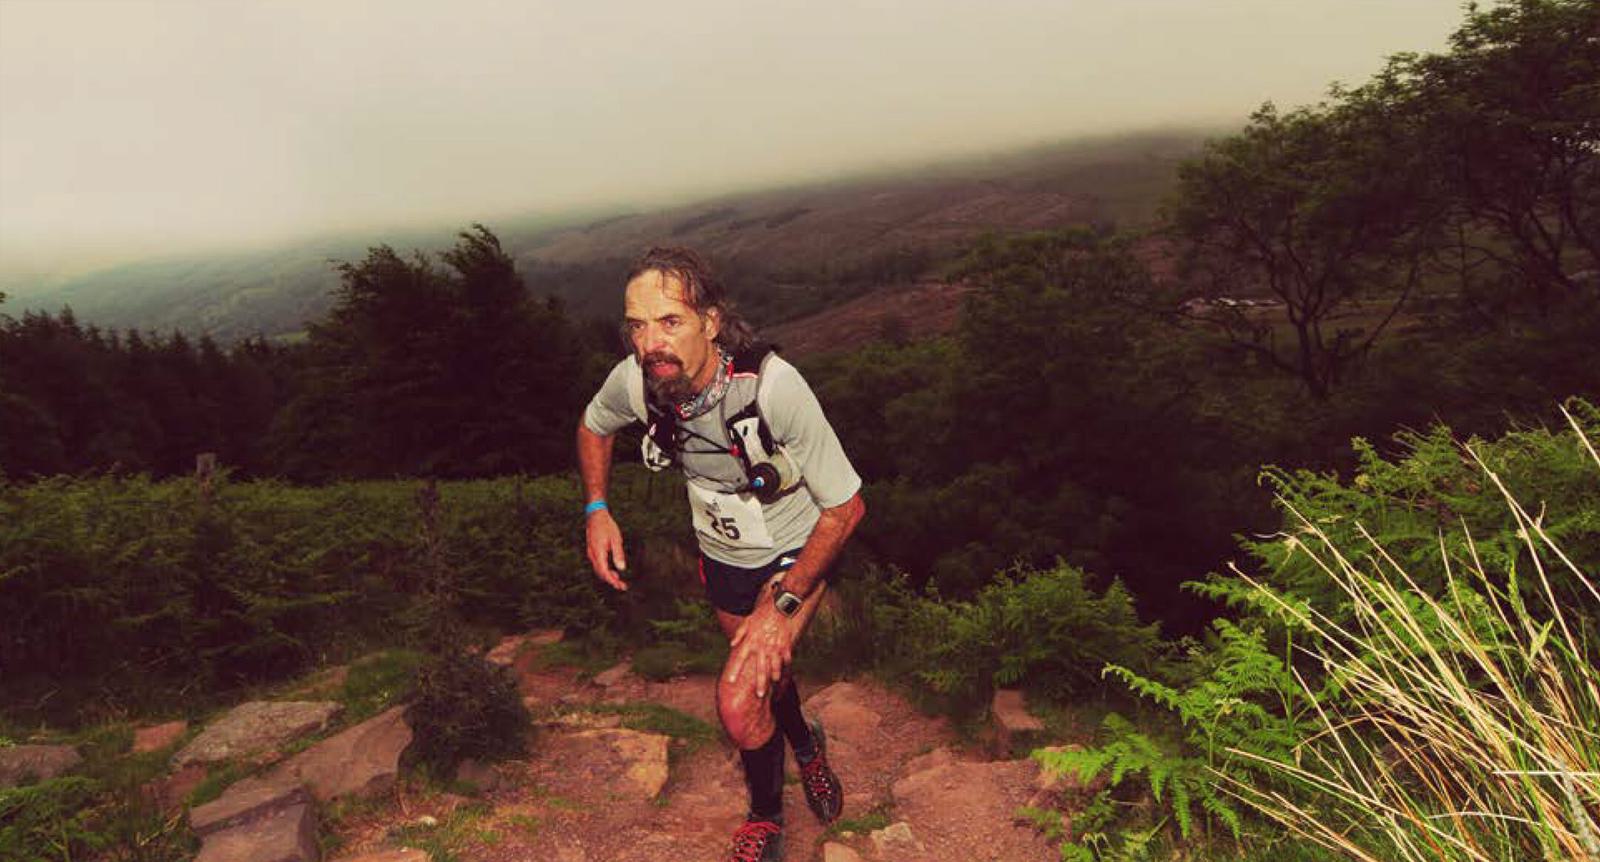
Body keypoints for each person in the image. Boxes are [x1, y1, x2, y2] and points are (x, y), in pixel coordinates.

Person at [576, 246, 866, 861]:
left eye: (670, 321)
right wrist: (597, 508)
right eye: (637, 325)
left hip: (794, 551)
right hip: (724, 554)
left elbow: (846, 509)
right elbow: (594, 426)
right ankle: (806, 745)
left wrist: (782, 604)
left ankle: (766, 819)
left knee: (739, 698)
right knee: (768, 673)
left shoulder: (774, 387)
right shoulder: (640, 379)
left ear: (710, 322)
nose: (650, 342)